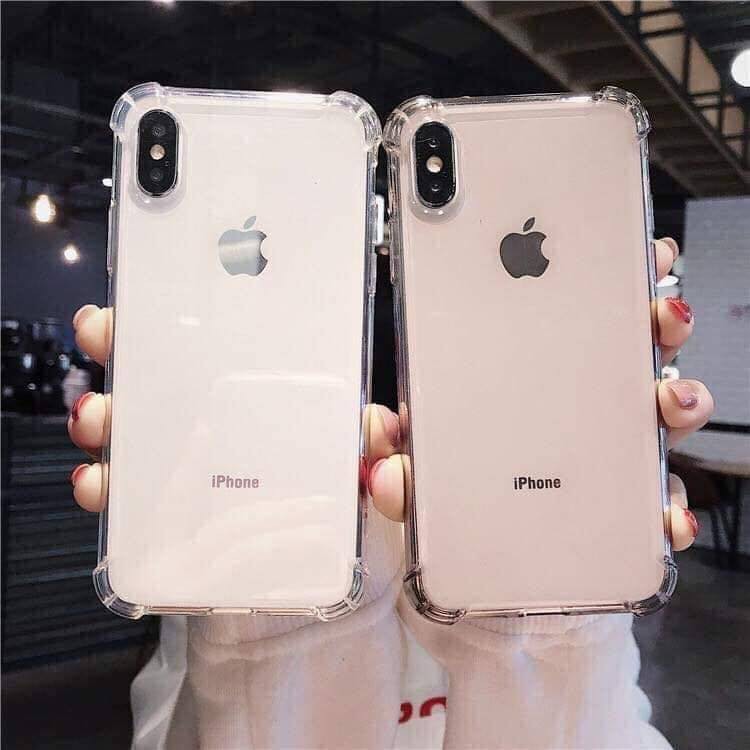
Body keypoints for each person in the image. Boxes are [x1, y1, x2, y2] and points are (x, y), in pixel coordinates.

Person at [68, 237, 712, 749]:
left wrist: (555, 630)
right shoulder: (233, 555)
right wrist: (269, 631)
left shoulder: (561, 562)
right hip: (263, 535)